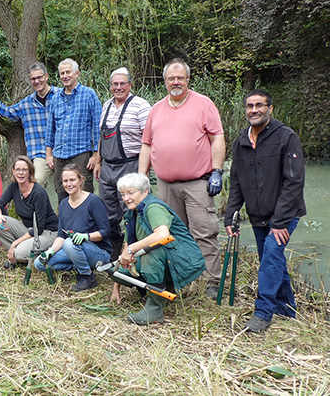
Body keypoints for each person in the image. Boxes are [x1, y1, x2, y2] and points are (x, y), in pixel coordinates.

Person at [139, 58, 225, 299]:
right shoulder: (156, 109)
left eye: (180, 78)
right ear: (165, 81)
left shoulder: (203, 104)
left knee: (204, 232)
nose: (175, 82)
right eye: (171, 78)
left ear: (188, 79)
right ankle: (183, 279)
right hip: (165, 185)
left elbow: (217, 137)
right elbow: (146, 145)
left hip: (197, 182)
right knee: (170, 233)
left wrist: (217, 171)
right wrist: (142, 176)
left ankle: (211, 283)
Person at [224, 89, 306, 333]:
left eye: (259, 105)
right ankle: (287, 308)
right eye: (249, 106)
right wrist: (231, 214)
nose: (254, 110)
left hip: (284, 215)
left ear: (270, 108)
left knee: (271, 256)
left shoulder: (286, 137)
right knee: (272, 260)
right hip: (257, 215)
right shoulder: (241, 141)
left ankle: (263, 312)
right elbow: (236, 181)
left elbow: (294, 182)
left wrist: (280, 222)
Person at [110, 173, 206, 325]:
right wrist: (116, 287)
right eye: (123, 194)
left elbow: (162, 235)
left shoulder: (153, 207)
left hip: (180, 260)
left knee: (151, 251)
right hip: (162, 258)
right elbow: (126, 248)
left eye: (130, 193)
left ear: (145, 191)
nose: (126, 198)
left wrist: (132, 250)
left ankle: (154, 308)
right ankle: (163, 290)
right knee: (118, 274)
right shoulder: (131, 214)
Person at [93, 67, 151, 255]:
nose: (118, 87)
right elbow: (103, 135)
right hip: (107, 167)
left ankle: (136, 253)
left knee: (132, 212)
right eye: (115, 84)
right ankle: (114, 253)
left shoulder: (141, 106)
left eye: (122, 83)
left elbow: (149, 140)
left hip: (130, 166)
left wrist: (143, 173)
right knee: (108, 214)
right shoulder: (107, 105)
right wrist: (98, 161)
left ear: (130, 85)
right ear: (110, 86)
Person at [0, 62, 60, 186]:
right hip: (40, 153)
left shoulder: (61, 96)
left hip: (62, 150)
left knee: (65, 187)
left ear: (46, 76)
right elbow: (5, 111)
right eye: (33, 79)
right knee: (37, 183)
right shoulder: (26, 104)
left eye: (39, 77)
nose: (37, 81)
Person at [35, 164, 112, 292]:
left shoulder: (93, 201)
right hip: (72, 248)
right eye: (65, 181)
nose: (68, 184)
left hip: (98, 252)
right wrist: (50, 251)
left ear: (81, 180)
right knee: (39, 263)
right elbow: (61, 235)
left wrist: (87, 236)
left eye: (72, 180)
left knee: (69, 243)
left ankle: (87, 276)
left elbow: (105, 231)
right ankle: (78, 264)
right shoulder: (64, 204)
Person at [45, 58, 102, 204]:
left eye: (68, 72)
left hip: (81, 154)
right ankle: (65, 226)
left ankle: (87, 226)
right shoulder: (55, 98)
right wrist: (49, 154)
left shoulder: (89, 94)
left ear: (77, 73)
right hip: (59, 155)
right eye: (62, 73)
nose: (65, 76)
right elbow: (50, 129)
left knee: (84, 192)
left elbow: (98, 128)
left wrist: (96, 155)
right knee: (61, 194)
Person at [0, 156, 58, 269]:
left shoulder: (38, 193)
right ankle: (18, 254)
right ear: (13, 171)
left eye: (24, 170)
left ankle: (26, 254)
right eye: (17, 169)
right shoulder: (14, 187)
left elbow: (39, 228)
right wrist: (0, 216)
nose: (20, 173)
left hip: (46, 232)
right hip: (27, 228)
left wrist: (15, 243)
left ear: (30, 172)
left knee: (19, 253)